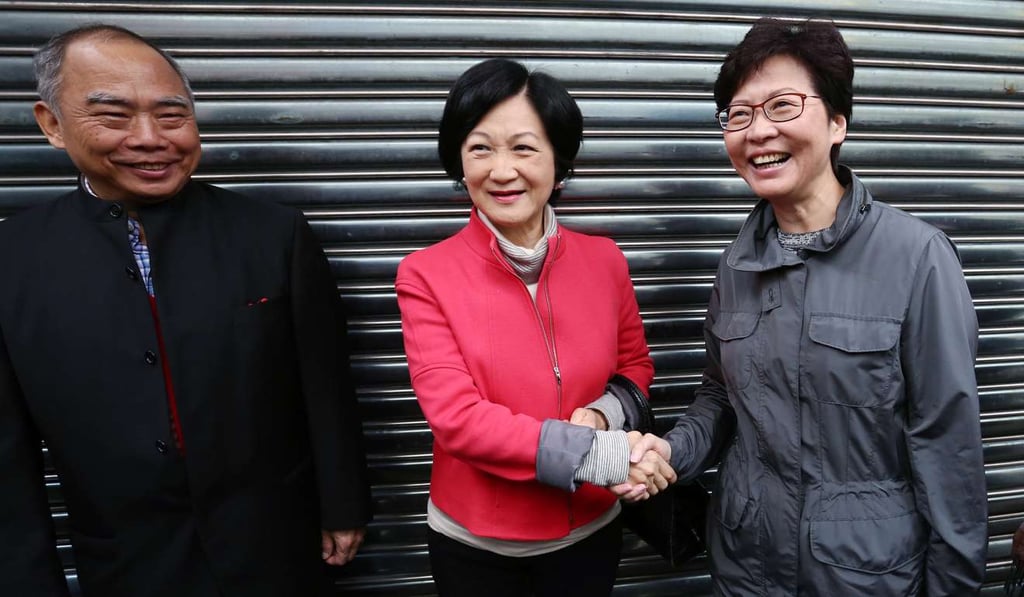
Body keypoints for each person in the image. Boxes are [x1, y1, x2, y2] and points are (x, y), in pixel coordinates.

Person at [0, 24, 372, 597]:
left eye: (172, 116)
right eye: (115, 116)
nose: (150, 139)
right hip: (126, 559)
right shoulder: (13, 258)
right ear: (52, 124)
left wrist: (343, 504)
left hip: (274, 545)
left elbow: (324, 388)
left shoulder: (272, 234)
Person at [624, 17, 988, 595]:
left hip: (864, 575)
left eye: (783, 106)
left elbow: (949, 449)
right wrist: (671, 450)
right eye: (739, 115)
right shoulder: (736, 262)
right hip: (747, 567)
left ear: (838, 122)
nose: (757, 131)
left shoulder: (917, 257)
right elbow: (721, 397)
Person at [394, 58, 673, 596]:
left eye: (523, 147)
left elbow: (635, 367)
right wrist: (607, 454)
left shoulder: (605, 261)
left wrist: (598, 416)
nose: (501, 170)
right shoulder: (425, 274)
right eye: (480, 148)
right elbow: (458, 419)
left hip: (590, 532)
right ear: (458, 158)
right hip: (478, 546)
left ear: (558, 161)